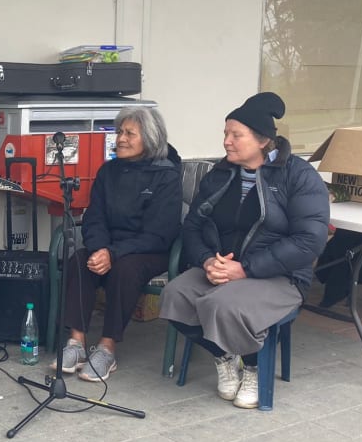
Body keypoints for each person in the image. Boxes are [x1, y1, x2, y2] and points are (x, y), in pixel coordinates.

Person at [159, 92, 329, 409]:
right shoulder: (221, 175)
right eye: (226, 133)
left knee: (222, 305)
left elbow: (309, 240)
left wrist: (246, 269)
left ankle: (252, 368)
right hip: (224, 268)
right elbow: (193, 225)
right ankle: (225, 358)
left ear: (263, 139)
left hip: (280, 276)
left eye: (236, 135)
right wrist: (208, 260)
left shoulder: (299, 176)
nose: (227, 142)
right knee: (176, 295)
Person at [51, 107, 182, 382]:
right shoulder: (108, 171)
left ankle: (107, 348)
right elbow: (94, 217)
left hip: (149, 250)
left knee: (124, 269)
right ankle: (76, 343)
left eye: (129, 133)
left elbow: (160, 232)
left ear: (149, 138)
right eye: (119, 131)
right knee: (80, 260)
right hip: (110, 246)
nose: (120, 138)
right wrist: (100, 249)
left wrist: (113, 252)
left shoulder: (166, 175)